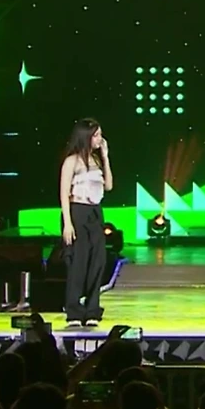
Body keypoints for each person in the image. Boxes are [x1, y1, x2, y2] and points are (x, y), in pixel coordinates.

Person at [60, 118, 113, 327]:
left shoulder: (97, 160)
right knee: (78, 263)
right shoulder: (71, 161)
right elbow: (64, 193)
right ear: (86, 137)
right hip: (77, 211)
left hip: (95, 213)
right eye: (96, 135)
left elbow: (108, 186)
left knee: (97, 262)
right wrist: (67, 223)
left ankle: (92, 310)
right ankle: (74, 310)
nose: (100, 139)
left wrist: (106, 157)